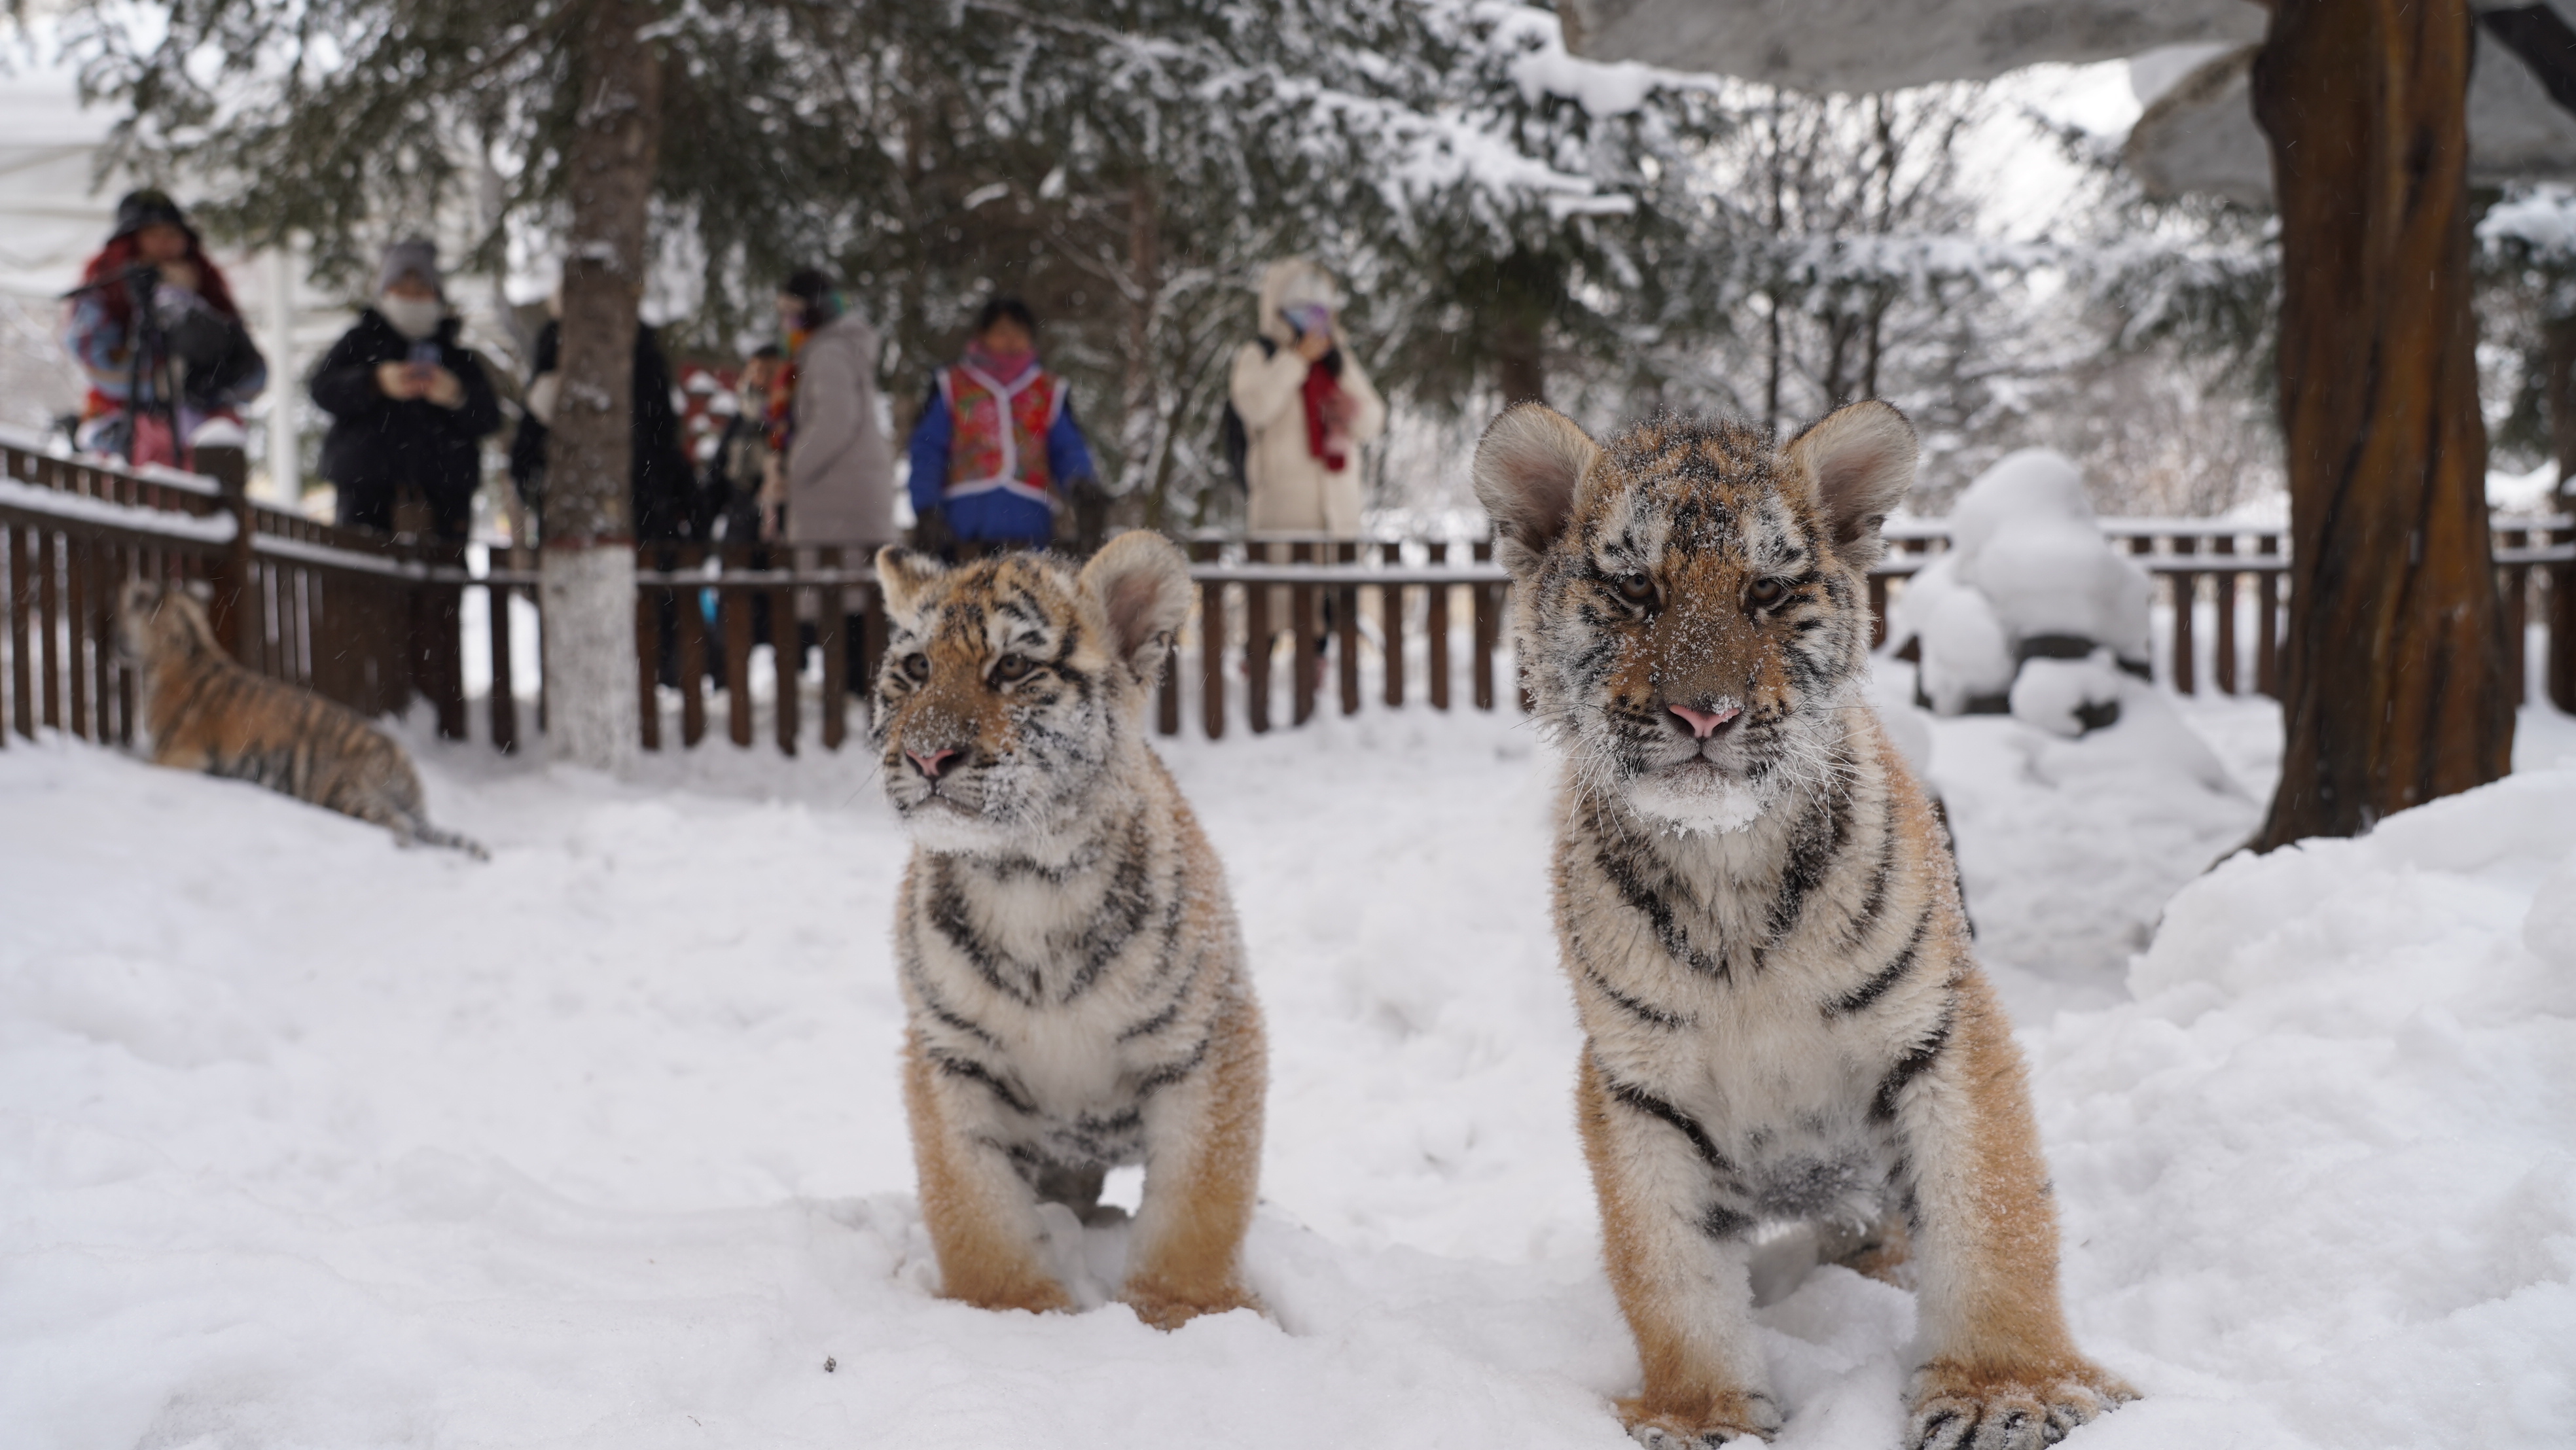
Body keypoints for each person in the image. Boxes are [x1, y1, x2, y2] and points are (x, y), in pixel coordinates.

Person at [1226, 259, 1386, 668]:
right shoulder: (1258, 353)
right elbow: (1256, 406)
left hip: (1336, 505)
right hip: (1282, 505)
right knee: (1273, 600)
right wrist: (1296, 359)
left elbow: (1373, 420)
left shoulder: (1338, 359)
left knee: (1325, 604)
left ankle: (1317, 682)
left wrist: (1351, 409)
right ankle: (1256, 677)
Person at [307, 238, 503, 541]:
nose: (411, 298)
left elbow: (489, 418)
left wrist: (456, 396)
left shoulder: (457, 357)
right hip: (366, 493)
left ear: (437, 296)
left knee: (440, 584)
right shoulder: (358, 343)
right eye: (401, 289)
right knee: (365, 580)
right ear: (384, 293)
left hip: (444, 499)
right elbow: (321, 390)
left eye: (421, 290)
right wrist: (374, 382)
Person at [61, 189, 267, 467]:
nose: (165, 242)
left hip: (204, 438)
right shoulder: (105, 290)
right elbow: (98, 361)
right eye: (152, 233)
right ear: (129, 242)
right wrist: (159, 382)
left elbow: (254, 374)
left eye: (173, 234)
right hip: (128, 431)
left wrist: (213, 381)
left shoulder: (208, 292)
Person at [904, 296, 1098, 556]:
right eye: (1003, 331)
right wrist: (927, 506)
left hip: (1030, 519)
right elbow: (928, 449)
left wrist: (1080, 483)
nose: (1011, 340)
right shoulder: (952, 384)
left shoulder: (1048, 389)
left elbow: (1067, 449)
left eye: (1020, 333)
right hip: (963, 519)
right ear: (982, 335)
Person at [505, 291, 696, 544]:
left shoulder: (640, 343)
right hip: (574, 481)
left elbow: (660, 426)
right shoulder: (557, 339)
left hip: (633, 484)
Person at [769, 268, 899, 552]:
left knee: (833, 590)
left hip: (837, 501)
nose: (786, 325)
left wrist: (794, 466)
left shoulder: (827, 354)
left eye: (791, 314)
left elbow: (835, 421)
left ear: (813, 313)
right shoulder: (830, 350)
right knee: (849, 591)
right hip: (842, 497)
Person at [698, 343, 783, 547]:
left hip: (783, 530)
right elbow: (717, 475)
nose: (762, 379)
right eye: (757, 371)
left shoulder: (791, 420)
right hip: (740, 531)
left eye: (770, 372)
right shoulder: (740, 420)